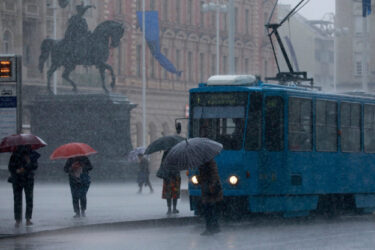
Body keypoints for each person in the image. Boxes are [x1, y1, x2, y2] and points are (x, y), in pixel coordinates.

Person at [8, 145, 39, 227]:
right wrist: (27, 165)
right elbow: (35, 166)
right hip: (27, 179)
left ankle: (18, 220)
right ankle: (27, 219)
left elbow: (11, 167)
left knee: (18, 200)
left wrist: (17, 170)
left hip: (18, 179)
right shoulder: (31, 154)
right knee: (28, 199)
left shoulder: (15, 154)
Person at [198, 159, 223, 236]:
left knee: (208, 208)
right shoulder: (206, 162)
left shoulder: (208, 162)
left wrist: (212, 184)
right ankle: (215, 226)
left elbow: (213, 175)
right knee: (211, 208)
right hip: (208, 188)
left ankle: (209, 228)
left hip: (209, 189)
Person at [160, 151, 181, 215]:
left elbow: (162, 164)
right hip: (175, 176)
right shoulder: (177, 151)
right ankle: (174, 208)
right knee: (175, 193)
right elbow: (180, 164)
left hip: (167, 177)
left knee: (168, 193)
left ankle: (169, 209)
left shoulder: (166, 152)